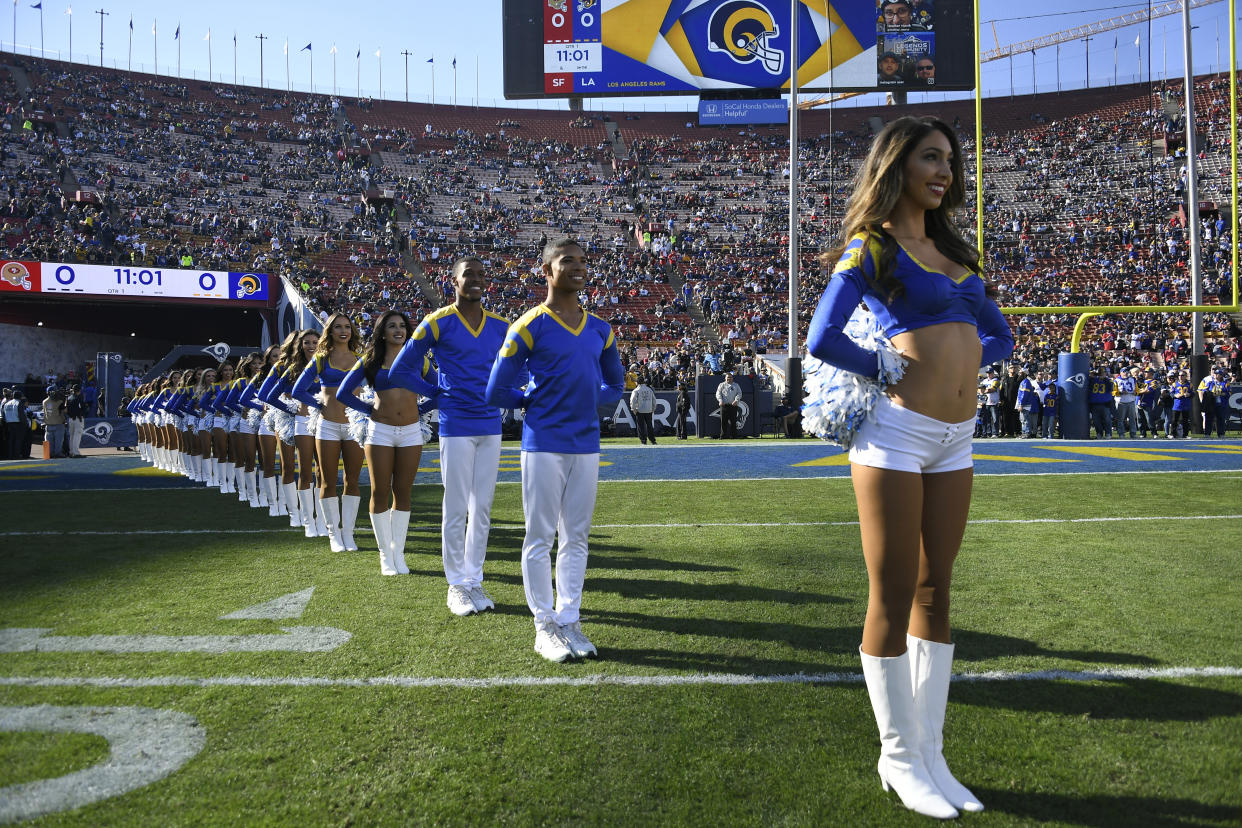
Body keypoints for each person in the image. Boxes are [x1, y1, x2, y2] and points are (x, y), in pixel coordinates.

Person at [806, 116, 1012, 818]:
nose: (945, 172)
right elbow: (821, 337)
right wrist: (881, 363)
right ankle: (897, 756)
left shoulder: (958, 252)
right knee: (893, 595)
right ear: (897, 165)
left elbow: (1000, 334)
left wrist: (968, 366)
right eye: (931, 158)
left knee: (937, 590)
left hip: (958, 438)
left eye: (950, 161)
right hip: (894, 435)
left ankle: (931, 753)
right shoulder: (874, 248)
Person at [485, 238, 625, 663]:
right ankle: (543, 626)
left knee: (576, 537)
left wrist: (588, 401)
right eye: (568, 261)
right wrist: (532, 401)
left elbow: (615, 385)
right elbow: (495, 390)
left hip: (586, 444)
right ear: (546, 271)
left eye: (584, 261)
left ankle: (569, 620)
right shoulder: (529, 324)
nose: (579, 267)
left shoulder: (601, 328)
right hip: (543, 442)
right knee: (541, 535)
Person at [392, 256, 511, 612]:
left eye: (480, 274)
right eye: (467, 275)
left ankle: (473, 580)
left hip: (490, 425)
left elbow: (520, 368)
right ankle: (455, 584)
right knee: (456, 507)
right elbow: (401, 369)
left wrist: (508, 391)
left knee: (483, 508)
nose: (475, 279)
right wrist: (437, 393)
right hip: (457, 424)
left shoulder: (501, 325)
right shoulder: (437, 321)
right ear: (453, 281)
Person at [339, 310, 438, 576]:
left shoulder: (420, 360)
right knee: (380, 491)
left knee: (403, 492)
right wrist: (368, 410)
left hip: (410, 432)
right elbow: (342, 393)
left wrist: (422, 408)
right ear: (382, 332)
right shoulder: (370, 360)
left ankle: (399, 553)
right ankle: (385, 555)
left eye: (403, 326)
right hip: (379, 431)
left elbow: (442, 390)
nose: (399, 330)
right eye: (392, 326)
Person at [294, 315, 364, 551]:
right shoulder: (321, 359)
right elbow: (298, 390)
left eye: (347, 327)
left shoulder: (361, 358)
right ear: (330, 331)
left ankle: (348, 533)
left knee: (352, 480)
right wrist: (318, 405)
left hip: (354, 427)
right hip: (327, 426)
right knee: (327, 479)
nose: (343, 331)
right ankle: (334, 534)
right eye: (337, 327)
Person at [1087, 366, 1115, 438]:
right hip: (1094, 404)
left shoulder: (1108, 380)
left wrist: (1105, 379)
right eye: (1100, 373)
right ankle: (1099, 433)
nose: (1102, 374)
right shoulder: (1093, 380)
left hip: (1105, 403)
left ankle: (1108, 433)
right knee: (1096, 421)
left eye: (1103, 373)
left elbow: (1111, 388)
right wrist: (1092, 376)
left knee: (1107, 420)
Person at [630, 375, 657, 444]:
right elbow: (654, 400)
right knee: (649, 425)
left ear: (638, 382)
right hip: (648, 410)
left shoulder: (636, 390)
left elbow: (632, 400)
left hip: (640, 410)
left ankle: (643, 440)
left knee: (641, 426)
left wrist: (633, 409)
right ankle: (652, 440)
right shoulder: (649, 389)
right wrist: (653, 408)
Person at [42, 387, 67, 458]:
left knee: (49, 442)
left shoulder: (44, 401)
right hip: (58, 423)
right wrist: (65, 399)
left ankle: (50, 454)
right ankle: (58, 453)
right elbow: (65, 410)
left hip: (48, 424)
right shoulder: (59, 401)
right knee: (58, 442)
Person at [1114, 367, 1138, 438]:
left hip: (1131, 401)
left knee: (1132, 419)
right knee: (1120, 419)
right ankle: (1121, 434)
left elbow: (1137, 390)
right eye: (1124, 372)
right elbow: (1113, 392)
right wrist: (1120, 393)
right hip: (1121, 402)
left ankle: (1133, 433)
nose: (1126, 373)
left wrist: (1135, 392)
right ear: (1120, 373)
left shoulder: (1133, 379)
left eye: (1127, 371)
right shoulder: (1116, 380)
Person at [716, 372, 741, 438]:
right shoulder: (721, 385)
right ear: (725, 378)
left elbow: (739, 393)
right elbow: (718, 393)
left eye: (730, 377)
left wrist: (736, 400)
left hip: (733, 406)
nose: (729, 379)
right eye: (727, 377)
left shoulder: (736, 385)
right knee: (723, 422)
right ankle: (723, 436)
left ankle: (734, 436)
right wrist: (720, 400)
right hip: (724, 405)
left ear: (732, 378)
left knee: (733, 422)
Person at [65, 385, 87, 457]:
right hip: (78, 418)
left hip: (71, 419)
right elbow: (83, 407)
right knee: (77, 436)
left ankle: (71, 452)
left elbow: (66, 409)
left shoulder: (69, 398)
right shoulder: (79, 398)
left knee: (71, 436)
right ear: (79, 390)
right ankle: (76, 453)